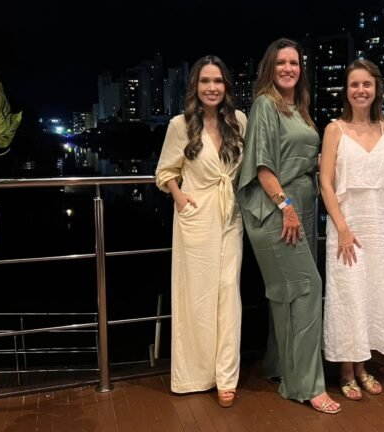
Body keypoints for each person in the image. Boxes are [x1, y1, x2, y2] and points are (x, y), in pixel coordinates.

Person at [237, 38, 341, 415]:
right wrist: (287, 207)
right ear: (270, 67)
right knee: (307, 289)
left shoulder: (299, 107)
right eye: (280, 62)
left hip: (302, 206)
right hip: (276, 208)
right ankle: (305, 386)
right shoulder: (266, 103)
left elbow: (309, 159)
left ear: (301, 67)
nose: (287, 68)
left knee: (288, 292)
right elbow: (262, 164)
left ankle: (280, 366)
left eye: (294, 62)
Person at [155, 55, 247, 408]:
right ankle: (194, 375)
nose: (212, 88)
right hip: (195, 218)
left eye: (218, 81)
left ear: (227, 87)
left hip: (230, 216)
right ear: (195, 86)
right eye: (205, 81)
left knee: (228, 294)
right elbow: (165, 171)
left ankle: (226, 376)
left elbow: (254, 161)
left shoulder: (238, 121)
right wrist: (179, 197)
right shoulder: (181, 125)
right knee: (196, 298)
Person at [319, 59, 384, 401]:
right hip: (349, 226)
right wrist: (342, 228)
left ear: (376, 90)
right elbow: (326, 184)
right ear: (347, 91)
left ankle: (363, 367)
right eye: (354, 84)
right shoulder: (334, 130)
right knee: (349, 296)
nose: (360, 90)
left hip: (383, 227)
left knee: (375, 293)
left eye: (366, 85)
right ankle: (346, 371)